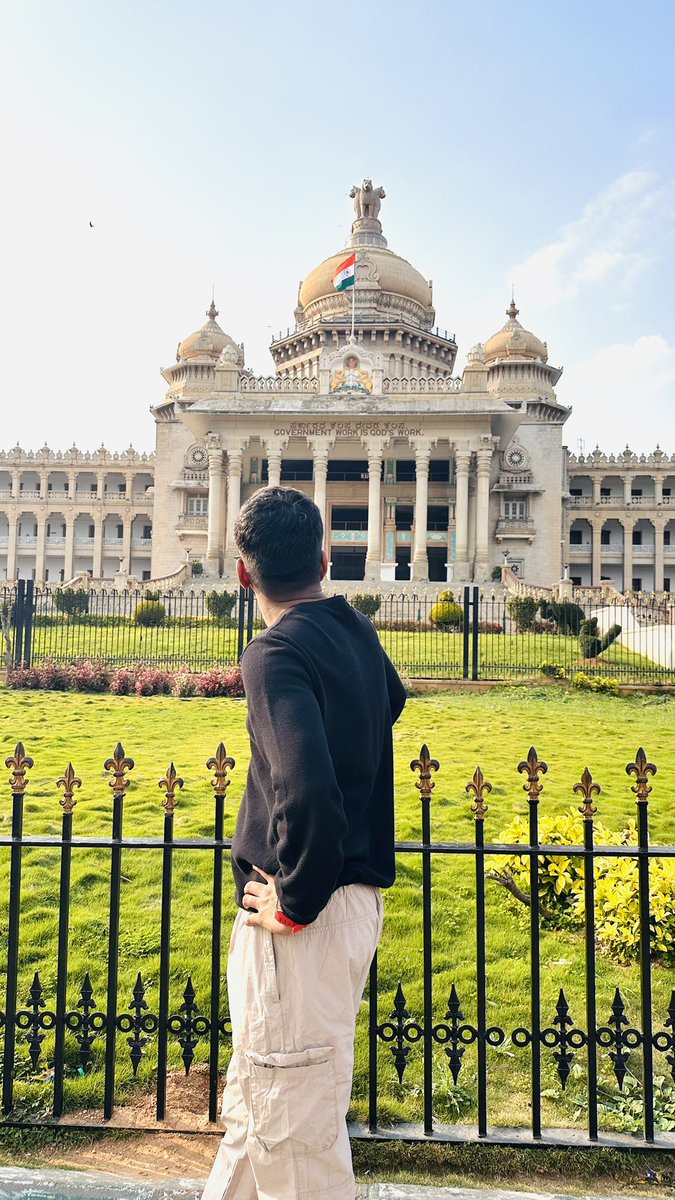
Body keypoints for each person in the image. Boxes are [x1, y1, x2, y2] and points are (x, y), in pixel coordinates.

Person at [201, 486, 406, 1200]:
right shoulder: (352, 628)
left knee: (294, 1139)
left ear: (241, 573)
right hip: (350, 910)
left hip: (301, 922)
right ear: (325, 558)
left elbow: (304, 785)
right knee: (256, 1113)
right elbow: (393, 698)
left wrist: (295, 899)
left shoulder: (273, 653)